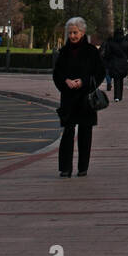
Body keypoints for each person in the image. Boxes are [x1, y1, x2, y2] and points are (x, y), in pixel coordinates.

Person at [52, 17, 106, 178]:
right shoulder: (63, 52)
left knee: (85, 133)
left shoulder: (91, 51)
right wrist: (65, 81)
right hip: (68, 97)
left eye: (75, 32)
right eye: (70, 33)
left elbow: (99, 72)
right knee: (68, 132)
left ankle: (83, 167)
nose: (73, 36)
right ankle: (65, 168)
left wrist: (83, 81)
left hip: (85, 98)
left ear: (82, 33)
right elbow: (57, 73)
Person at [100, 27, 128, 102]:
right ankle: (120, 96)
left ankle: (116, 96)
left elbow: (108, 54)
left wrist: (107, 60)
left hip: (114, 62)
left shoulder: (111, 43)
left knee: (116, 79)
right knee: (121, 79)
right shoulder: (125, 42)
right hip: (123, 63)